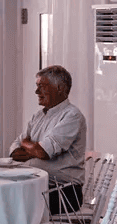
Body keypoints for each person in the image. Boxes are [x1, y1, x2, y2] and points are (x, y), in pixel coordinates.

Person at [11, 65, 87, 215]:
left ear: (58, 88)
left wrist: (26, 144)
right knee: (6, 198)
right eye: (36, 86)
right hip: (38, 187)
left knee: (10, 203)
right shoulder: (38, 116)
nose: (36, 91)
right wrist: (35, 149)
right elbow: (13, 152)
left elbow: (43, 152)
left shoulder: (72, 116)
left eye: (42, 86)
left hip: (63, 192)